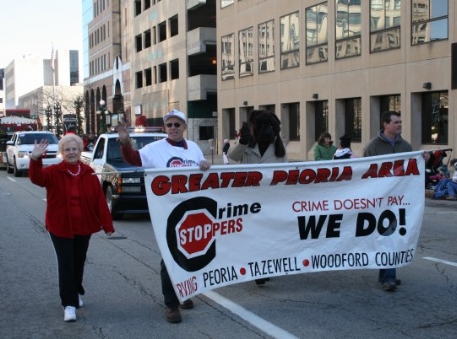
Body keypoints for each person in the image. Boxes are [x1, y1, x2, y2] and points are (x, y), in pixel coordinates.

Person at [117, 109, 210, 324]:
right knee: (170, 256)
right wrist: (125, 143)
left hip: (192, 210)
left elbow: (202, 165)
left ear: (184, 127)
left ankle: (184, 292)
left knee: (191, 253)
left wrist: (205, 165)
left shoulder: (193, 148)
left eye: (177, 124)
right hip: (167, 212)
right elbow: (134, 159)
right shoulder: (154, 149)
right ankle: (171, 304)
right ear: (164, 128)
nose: (173, 128)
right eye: (169, 125)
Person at [28, 134, 115, 322]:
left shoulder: (88, 172)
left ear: (80, 151)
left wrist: (107, 225)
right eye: (67, 149)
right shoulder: (53, 171)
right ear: (62, 153)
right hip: (60, 226)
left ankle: (75, 291)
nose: (71, 152)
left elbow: (99, 201)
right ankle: (68, 304)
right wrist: (35, 159)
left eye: (74, 149)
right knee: (66, 263)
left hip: (83, 226)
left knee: (78, 262)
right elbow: (37, 178)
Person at [363, 110, 429, 292]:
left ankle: (386, 274)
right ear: (385, 124)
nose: (399, 125)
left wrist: (424, 161)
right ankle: (388, 276)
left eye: (400, 122)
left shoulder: (405, 146)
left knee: (391, 235)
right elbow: (364, 172)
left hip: (398, 200)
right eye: (396, 122)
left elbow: (412, 170)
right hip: (379, 200)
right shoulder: (373, 147)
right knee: (385, 234)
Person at [228, 109, 287, 285]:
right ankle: (256, 266)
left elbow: (285, 174)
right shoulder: (247, 146)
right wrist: (243, 141)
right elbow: (232, 157)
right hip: (250, 199)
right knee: (253, 235)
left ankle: (264, 266)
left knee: (268, 235)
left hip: (270, 199)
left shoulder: (278, 146)